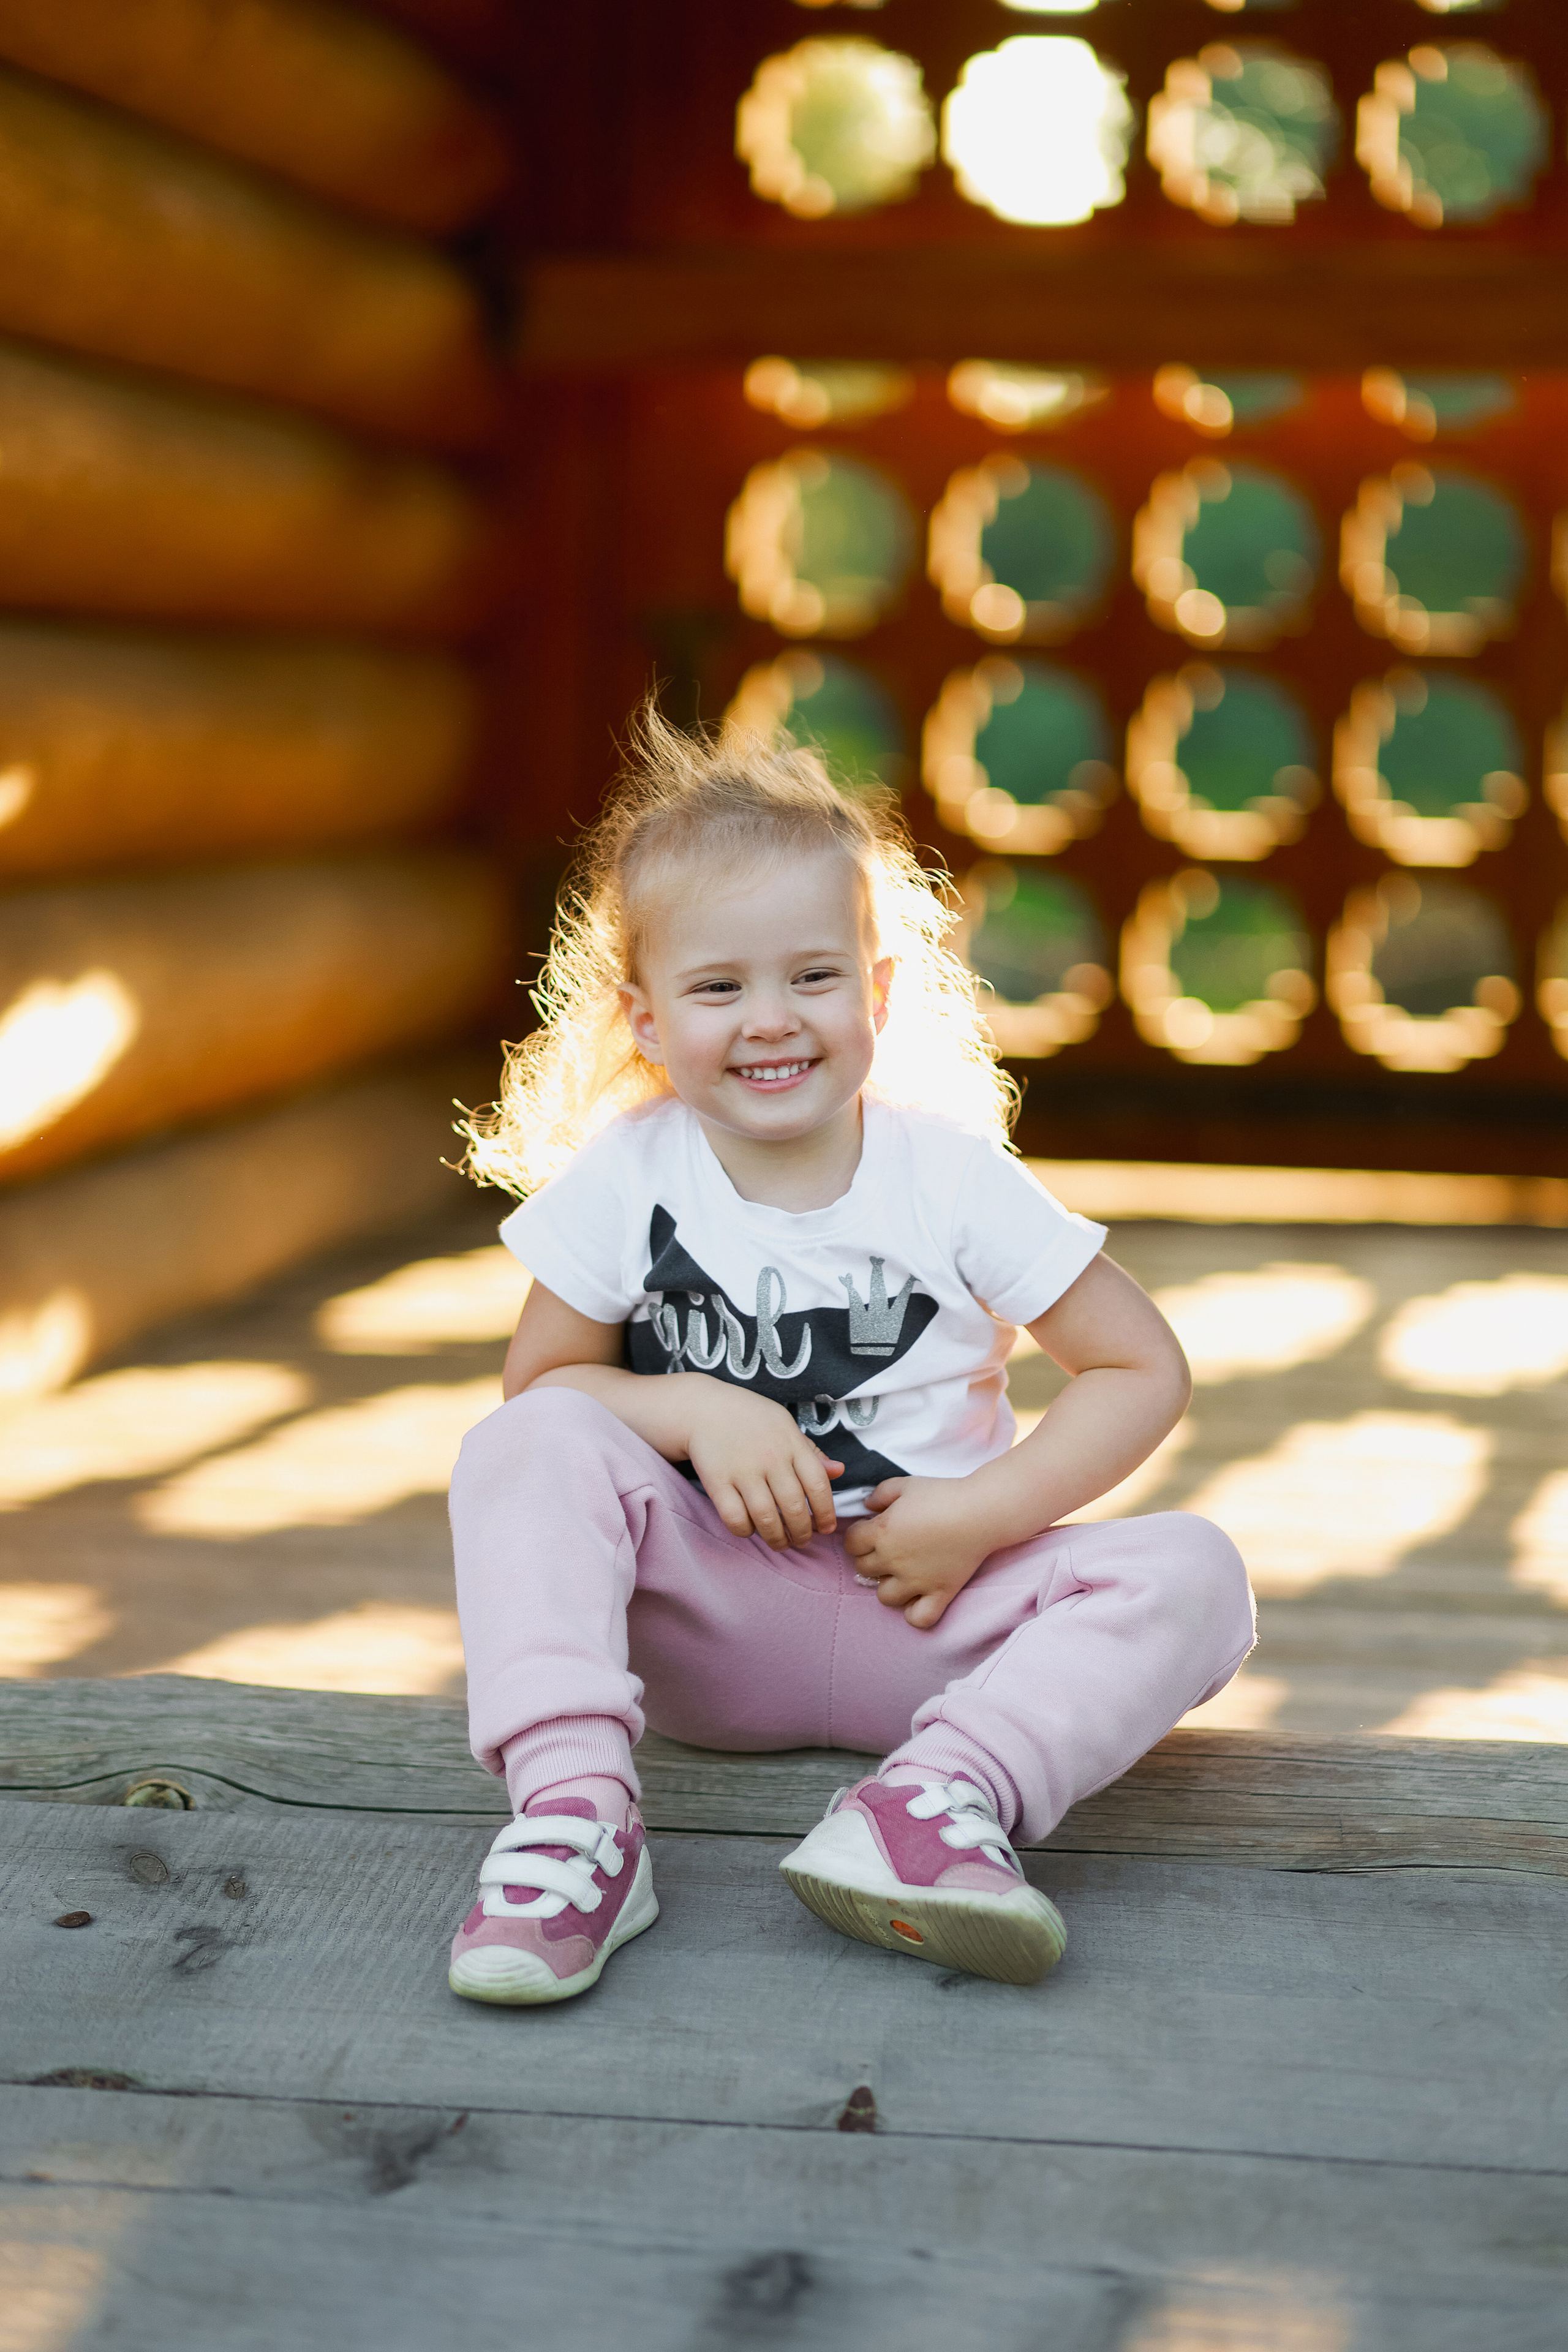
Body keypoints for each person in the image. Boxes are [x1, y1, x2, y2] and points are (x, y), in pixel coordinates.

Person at [445, 707, 1254, 2004]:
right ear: (644, 1019)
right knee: (520, 1449)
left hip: (931, 1616)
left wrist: (978, 1515)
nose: (771, 1019)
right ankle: (577, 1820)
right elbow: (543, 1393)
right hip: (709, 1618)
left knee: (1195, 1571)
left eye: (812, 976)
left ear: (876, 990)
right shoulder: (627, 1179)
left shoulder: (950, 1179)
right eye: (718, 987)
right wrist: (696, 1408)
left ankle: (935, 1802)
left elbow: (1136, 1366)